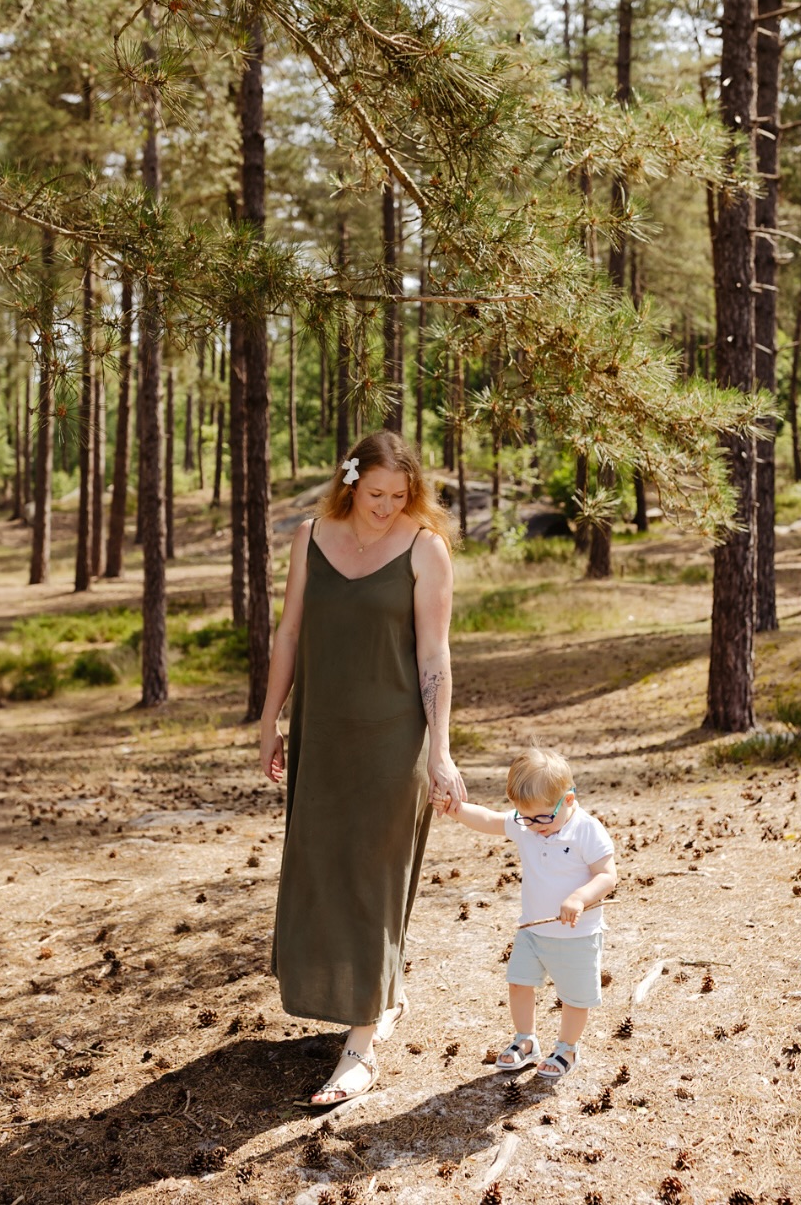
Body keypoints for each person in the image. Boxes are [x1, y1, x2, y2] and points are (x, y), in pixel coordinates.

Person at [258, 430, 467, 1107]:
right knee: (323, 865)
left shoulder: (424, 548)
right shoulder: (310, 537)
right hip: (322, 737)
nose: (386, 507)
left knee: (375, 876)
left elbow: (434, 657)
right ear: (350, 482)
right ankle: (382, 994)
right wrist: (270, 720)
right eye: (375, 493)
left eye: (399, 496)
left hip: (392, 740)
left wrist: (440, 748)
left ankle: (359, 1047)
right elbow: (289, 632)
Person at [439, 747, 617, 1079]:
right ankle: (526, 1041)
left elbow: (607, 875)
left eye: (542, 818)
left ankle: (567, 1047)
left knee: (574, 997)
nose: (534, 827)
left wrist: (579, 897)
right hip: (533, 930)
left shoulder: (586, 830)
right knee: (519, 983)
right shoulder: (528, 825)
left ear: (569, 800)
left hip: (576, 935)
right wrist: (455, 809)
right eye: (526, 817)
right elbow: (490, 819)